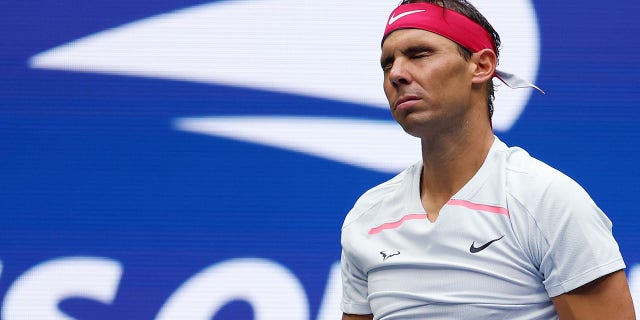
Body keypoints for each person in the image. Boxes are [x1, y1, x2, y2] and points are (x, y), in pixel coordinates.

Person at [339, 0, 636, 319]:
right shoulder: (366, 218)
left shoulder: (548, 202)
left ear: (481, 66)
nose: (396, 73)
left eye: (419, 54)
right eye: (387, 63)